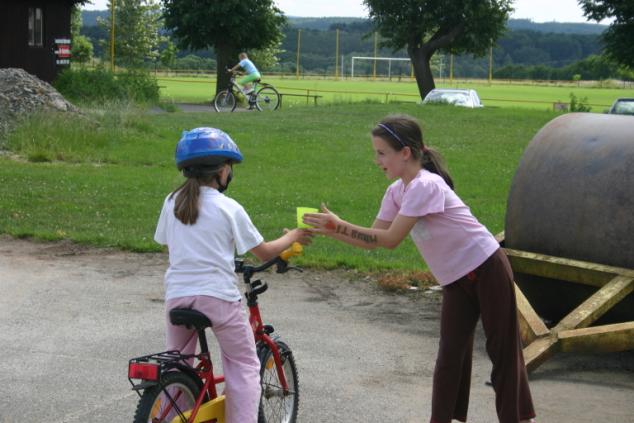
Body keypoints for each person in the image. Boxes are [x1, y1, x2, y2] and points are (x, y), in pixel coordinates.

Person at [303, 115, 536, 423]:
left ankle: (518, 418)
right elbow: (373, 240)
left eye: (382, 153)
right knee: (449, 357)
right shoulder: (396, 192)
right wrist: (333, 230)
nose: (377, 161)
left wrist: (340, 226)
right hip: (455, 279)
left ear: (405, 153)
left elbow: (390, 240)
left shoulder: (426, 185)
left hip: (486, 266)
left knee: (502, 351)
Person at [154, 127, 312, 423]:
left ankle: (165, 415)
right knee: (242, 364)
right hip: (217, 297)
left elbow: (170, 245)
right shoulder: (228, 207)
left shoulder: (171, 202)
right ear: (223, 170)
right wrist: (292, 236)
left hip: (177, 295)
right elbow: (264, 252)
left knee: (177, 363)